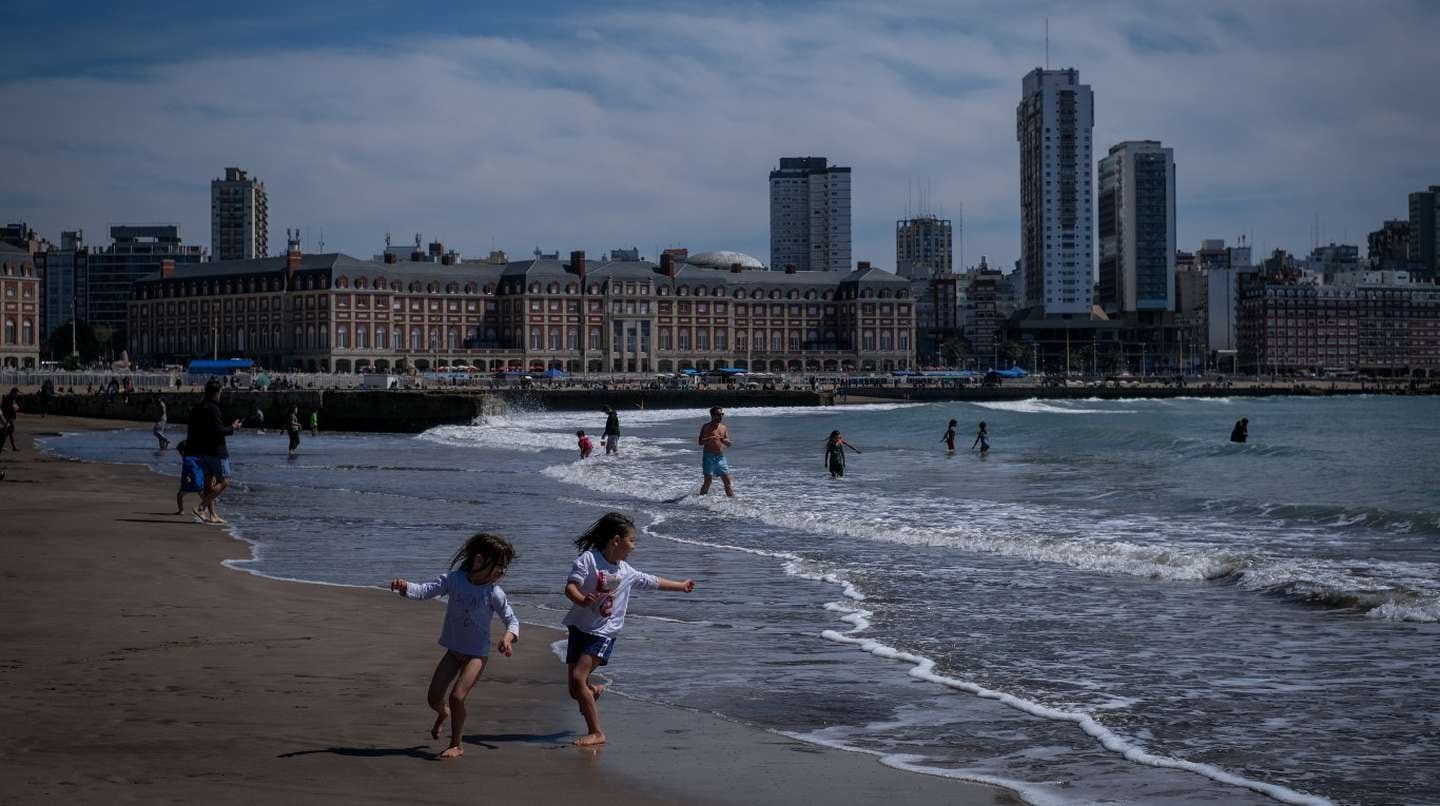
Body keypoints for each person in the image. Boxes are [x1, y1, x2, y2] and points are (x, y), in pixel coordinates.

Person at [562, 512, 694, 747]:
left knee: (578, 677)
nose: (634, 546)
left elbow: (653, 581)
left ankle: (597, 732)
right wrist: (582, 600)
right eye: (632, 540)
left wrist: (681, 585)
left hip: (604, 632)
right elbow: (571, 587)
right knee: (575, 690)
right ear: (616, 540)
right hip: (579, 627)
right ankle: (594, 690)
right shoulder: (588, 560)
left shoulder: (626, 571)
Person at [389, 533, 519, 760]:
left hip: (477, 654)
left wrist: (508, 638)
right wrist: (405, 586)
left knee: (457, 697)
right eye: (498, 566)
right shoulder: (455, 580)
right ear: (478, 561)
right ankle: (444, 713)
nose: (502, 572)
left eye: (504, 568)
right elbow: (425, 591)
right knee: (433, 698)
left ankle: (456, 744)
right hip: (454, 650)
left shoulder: (494, 593)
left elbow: (512, 620)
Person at [185, 379, 242, 525]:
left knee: (208, 484)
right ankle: (201, 507)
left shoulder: (198, 407)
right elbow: (219, 431)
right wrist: (233, 427)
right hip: (217, 451)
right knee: (224, 482)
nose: (220, 395)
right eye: (220, 392)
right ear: (216, 393)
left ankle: (213, 515)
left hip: (202, 451)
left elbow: (192, 430)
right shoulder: (214, 408)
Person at [698, 406, 734, 497]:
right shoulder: (706, 427)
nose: (720, 416)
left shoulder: (723, 427)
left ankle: (733, 504)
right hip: (708, 456)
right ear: (712, 415)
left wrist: (725, 441)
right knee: (708, 482)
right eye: (718, 414)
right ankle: (699, 501)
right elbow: (700, 442)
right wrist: (710, 439)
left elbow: (729, 444)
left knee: (727, 481)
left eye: (722, 414)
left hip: (720, 457)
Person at [174, 439, 204, 515]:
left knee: (180, 495)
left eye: (180, 452)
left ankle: (181, 510)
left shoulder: (186, 459)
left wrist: (188, 476)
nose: (180, 454)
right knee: (202, 495)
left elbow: (188, 469)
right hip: (199, 481)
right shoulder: (198, 458)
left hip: (189, 482)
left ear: (183, 451)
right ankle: (205, 508)